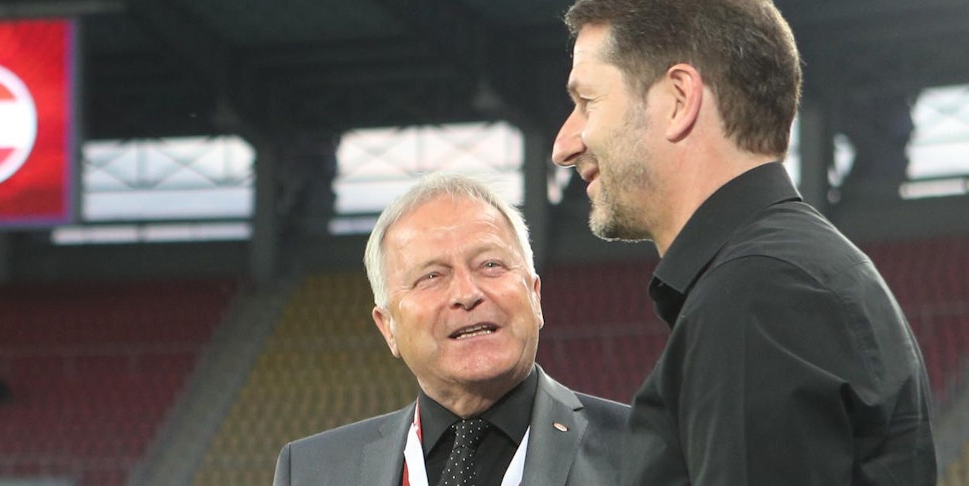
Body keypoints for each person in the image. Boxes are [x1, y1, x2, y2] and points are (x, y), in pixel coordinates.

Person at [551, 0, 937, 484]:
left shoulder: (759, 294)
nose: (563, 145)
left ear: (677, 100)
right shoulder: (780, 275)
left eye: (588, 101)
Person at [273, 172, 629, 485]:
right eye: (431, 277)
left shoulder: (644, 448)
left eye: (490, 264)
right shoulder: (311, 471)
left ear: (535, 296)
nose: (467, 294)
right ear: (388, 327)